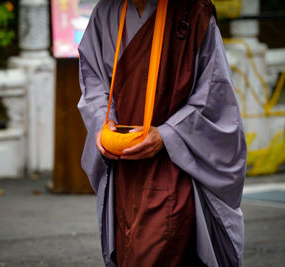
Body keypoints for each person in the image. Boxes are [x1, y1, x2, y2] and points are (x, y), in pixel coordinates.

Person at [78, 0, 247, 266]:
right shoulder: (105, 12)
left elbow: (213, 95)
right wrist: (104, 123)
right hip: (123, 167)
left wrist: (167, 135)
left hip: (174, 165)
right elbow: (94, 80)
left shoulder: (192, 13)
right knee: (128, 248)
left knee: (161, 249)